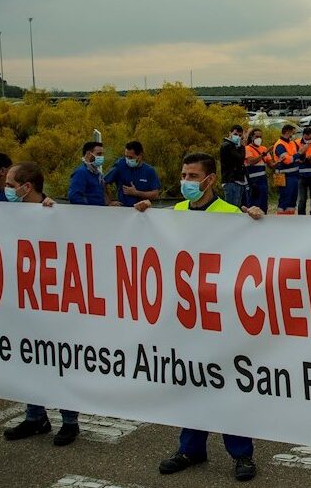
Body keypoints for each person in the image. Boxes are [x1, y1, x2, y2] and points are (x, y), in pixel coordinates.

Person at [133, 153, 261, 482]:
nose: (186, 181)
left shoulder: (231, 214)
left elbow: (255, 254)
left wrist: (258, 221)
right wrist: (144, 216)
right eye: (184, 175)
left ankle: (242, 453)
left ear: (210, 179)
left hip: (222, 318)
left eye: (193, 176)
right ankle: (190, 448)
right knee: (192, 384)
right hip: (187, 318)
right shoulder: (176, 212)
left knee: (226, 384)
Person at [0, 162, 81, 445]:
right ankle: (35, 417)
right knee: (28, 359)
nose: (5, 189)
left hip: (52, 300)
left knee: (58, 359)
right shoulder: (2, 211)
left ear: (27, 187)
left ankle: (70, 421)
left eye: (10, 185)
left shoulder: (55, 212)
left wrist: (54, 215)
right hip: (22, 299)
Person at [104, 140, 160, 207]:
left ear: (140, 155)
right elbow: (103, 182)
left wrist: (136, 193)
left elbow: (155, 194)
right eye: (126, 156)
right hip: (123, 209)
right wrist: (109, 202)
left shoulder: (149, 171)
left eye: (130, 157)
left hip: (142, 210)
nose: (127, 160)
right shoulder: (120, 165)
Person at [272, 125, 300, 215]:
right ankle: (281, 220)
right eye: (293, 132)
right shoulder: (279, 145)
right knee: (285, 199)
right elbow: (287, 160)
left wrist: (298, 155)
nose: (293, 134)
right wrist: (299, 154)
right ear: (288, 132)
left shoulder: (292, 143)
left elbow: (297, 158)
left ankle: (290, 219)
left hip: (293, 175)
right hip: (283, 176)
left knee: (292, 201)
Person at [68, 141, 107, 206]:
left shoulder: (98, 174)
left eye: (102, 154)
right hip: (88, 211)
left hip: (99, 210)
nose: (101, 157)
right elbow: (74, 197)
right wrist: (89, 207)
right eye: (99, 154)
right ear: (88, 154)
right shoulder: (81, 173)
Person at [219, 125, 248, 206]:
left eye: (240, 135)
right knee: (232, 208)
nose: (237, 137)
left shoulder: (235, 146)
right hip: (231, 180)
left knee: (237, 207)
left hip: (238, 180)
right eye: (235, 134)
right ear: (230, 133)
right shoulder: (227, 145)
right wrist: (242, 146)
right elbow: (240, 158)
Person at [244, 128, 272, 213]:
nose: (259, 139)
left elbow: (271, 165)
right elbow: (251, 161)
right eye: (257, 136)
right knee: (253, 205)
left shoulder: (264, 148)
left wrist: (279, 161)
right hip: (252, 182)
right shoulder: (247, 148)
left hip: (263, 181)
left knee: (263, 204)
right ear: (252, 137)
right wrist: (264, 154)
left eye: (260, 137)